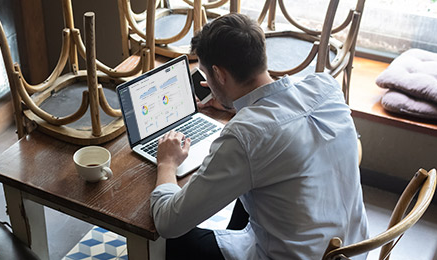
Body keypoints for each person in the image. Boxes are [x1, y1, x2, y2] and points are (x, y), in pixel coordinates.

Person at [150, 13, 368, 259]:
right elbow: (286, 113)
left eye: (206, 75)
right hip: (352, 250)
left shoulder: (244, 136)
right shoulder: (326, 87)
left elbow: (167, 222)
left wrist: (166, 163)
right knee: (257, 184)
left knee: (174, 240)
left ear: (219, 75)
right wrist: (237, 104)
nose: (207, 83)